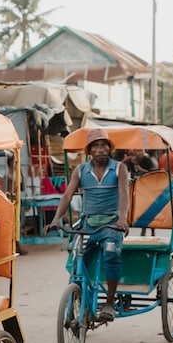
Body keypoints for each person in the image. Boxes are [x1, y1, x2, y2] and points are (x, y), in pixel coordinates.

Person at [49, 128, 130, 322]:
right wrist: (55, 219)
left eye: (104, 146)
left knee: (111, 254)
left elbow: (123, 193)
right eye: (96, 146)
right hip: (89, 223)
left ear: (109, 149)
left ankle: (109, 302)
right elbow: (68, 195)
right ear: (89, 151)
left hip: (111, 224)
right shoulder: (81, 170)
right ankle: (83, 297)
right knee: (77, 257)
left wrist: (122, 217)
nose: (100, 150)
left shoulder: (119, 168)